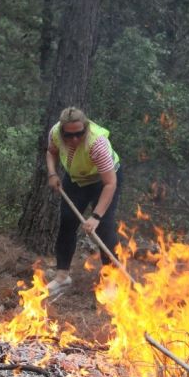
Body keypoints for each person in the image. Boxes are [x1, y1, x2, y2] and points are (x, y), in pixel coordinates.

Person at [45, 107, 122, 296]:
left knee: (104, 227)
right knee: (67, 222)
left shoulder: (97, 144)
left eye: (78, 134)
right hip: (76, 180)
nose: (74, 140)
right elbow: (51, 152)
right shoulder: (55, 133)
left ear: (85, 128)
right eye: (68, 135)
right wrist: (53, 173)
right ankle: (62, 277)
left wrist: (95, 216)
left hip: (102, 181)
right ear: (62, 130)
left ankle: (111, 281)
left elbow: (110, 183)